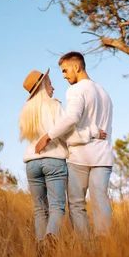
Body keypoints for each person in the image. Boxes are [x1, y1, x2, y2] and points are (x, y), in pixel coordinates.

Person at [19, 68, 106, 244]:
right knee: (57, 207)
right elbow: (68, 134)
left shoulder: (25, 111)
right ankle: (50, 240)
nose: (53, 88)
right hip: (53, 161)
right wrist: (93, 132)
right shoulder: (54, 106)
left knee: (40, 211)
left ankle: (40, 248)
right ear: (43, 86)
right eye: (50, 84)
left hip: (31, 165)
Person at [35, 52, 114, 237]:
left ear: (76, 67)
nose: (64, 76)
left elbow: (71, 118)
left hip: (80, 156)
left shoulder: (76, 90)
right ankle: (105, 247)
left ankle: (87, 248)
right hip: (103, 156)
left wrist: (48, 136)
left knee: (77, 205)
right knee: (101, 200)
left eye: (65, 71)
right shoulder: (104, 93)